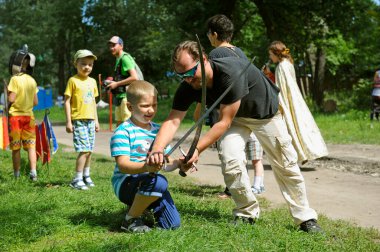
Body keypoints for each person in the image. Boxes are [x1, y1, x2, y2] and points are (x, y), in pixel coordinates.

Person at [147, 41, 322, 233]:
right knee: (230, 159)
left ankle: (305, 218)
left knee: (285, 163)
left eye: (190, 72)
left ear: (204, 60)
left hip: (264, 114)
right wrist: (158, 149)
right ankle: (246, 212)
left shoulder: (229, 73)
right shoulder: (189, 85)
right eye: (181, 76)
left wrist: (196, 150)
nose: (187, 79)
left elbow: (223, 123)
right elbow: (172, 121)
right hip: (236, 118)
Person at [205, 14, 265, 196]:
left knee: (229, 152)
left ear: (214, 34)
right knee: (240, 153)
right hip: (250, 110)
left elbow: (218, 87)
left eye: (209, 34)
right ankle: (239, 188)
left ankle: (233, 189)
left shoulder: (215, 54)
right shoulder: (239, 52)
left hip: (231, 110)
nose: (208, 38)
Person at [110, 80, 181, 233]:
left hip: (150, 181)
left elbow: (167, 163)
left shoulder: (158, 130)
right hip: (126, 183)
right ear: (130, 107)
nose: (150, 110)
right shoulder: (123, 131)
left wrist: (180, 163)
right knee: (160, 182)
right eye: (145, 106)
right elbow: (123, 165)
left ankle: (141, 206)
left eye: (154, 105)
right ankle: (130, 219)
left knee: (172, 224)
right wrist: (146, 167)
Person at [268, 41, 328, 164]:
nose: (270, 57)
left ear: (276, 53)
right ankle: (302, 152)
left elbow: (282, 88)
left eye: (271, 54)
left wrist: (280, 103)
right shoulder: (287, 64)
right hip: (295, 100)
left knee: (290, 126)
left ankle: (298, 154)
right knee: (299, 124)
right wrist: (269, 74)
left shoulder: (282, 66)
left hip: (288, 101)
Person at [64, 49, 99, 190]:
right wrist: (68, 121)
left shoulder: (93, 82)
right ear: (75, 64)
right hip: (78, 120)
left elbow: (93, 104)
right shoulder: (73, 81)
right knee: (84, 150)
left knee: (89, 150)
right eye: (83, 64)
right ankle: (76, 179)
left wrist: (96, 120)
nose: (87, 67)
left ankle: (86, 175)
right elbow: (67, 101)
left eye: (90, 64)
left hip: (91, 120)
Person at [7, 50, 38, 181]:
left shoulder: (14, 79)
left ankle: (17, 175)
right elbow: (35, 102)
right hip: (29, 117)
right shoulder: (32, 80)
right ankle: (33, 173)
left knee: (16, 148)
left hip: (15, 118)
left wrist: (9, 98)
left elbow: (11, 99)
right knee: (31, 146)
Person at [107, 36, 139, 126]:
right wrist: (112, 82)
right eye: (110, 46)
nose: (111, 48)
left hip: (126, 97)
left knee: (127, 124)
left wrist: (116, 84)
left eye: (114, 45)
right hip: (119, 97)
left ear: (121, 46)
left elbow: (134, 77)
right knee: (119, 124)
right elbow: (122, 77)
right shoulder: (118, 59)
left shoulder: (125, 58)